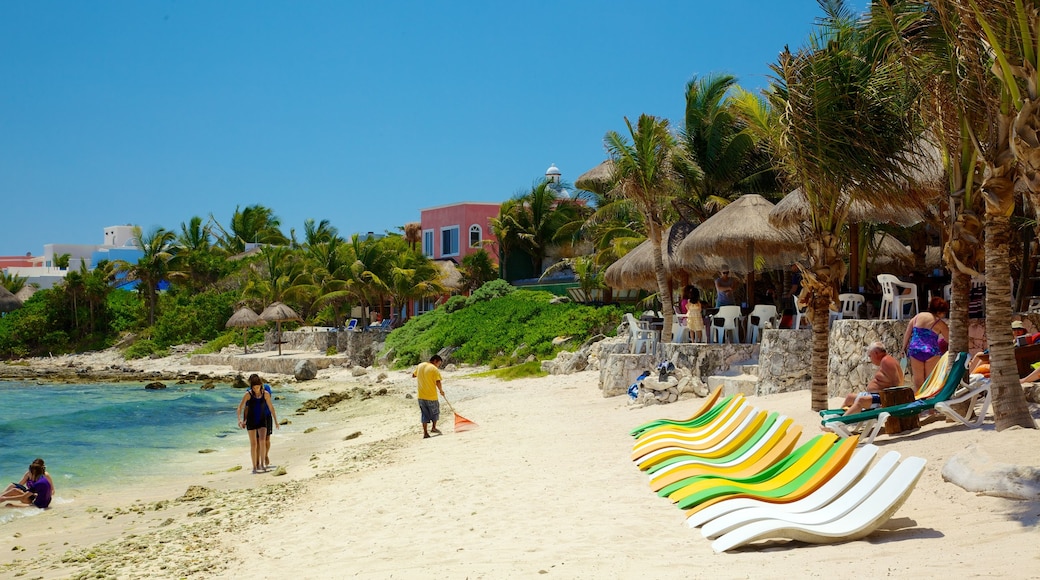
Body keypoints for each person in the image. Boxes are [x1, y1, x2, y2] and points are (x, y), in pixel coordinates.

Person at [837, 342, 905, 417]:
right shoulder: (885, 361)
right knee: (849, 397)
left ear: (876, 353)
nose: (870, 359)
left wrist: (886, 402)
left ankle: (840, 422)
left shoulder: (886, 361)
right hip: (876, 395)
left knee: (861, 401)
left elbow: (897, 383)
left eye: (870, 356)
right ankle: (837, 416)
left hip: (882, 398)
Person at [901, 297, 950, 390]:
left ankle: (918, 402)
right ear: (940, 312)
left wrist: (903, 348)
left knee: (918, 383)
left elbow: (908, 333)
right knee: (929, 382)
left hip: (915, 351)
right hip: (931, 352)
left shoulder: (917, 317)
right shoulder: (939, 323)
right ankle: (928, 403)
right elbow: (949, 340)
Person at [238, 375, 278, 473]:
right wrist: (241, 420)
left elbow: (271, 407)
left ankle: (262, 464)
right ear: (251, 386)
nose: (256, 389)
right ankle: (254, 467)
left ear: (261, 385)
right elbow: (241, 407)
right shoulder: (248, 394)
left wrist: (276, 421)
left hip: (263, 419)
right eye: (254, 387)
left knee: (263, 441)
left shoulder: (266, 393)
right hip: (251, 420)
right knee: (254, 444)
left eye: (258, 387)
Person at [413, 354, 446, 439]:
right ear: (435, 361)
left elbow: (414, 375)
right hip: (431, 396)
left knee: (424, 414)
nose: (438, 365)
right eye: (439, 363)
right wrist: (441, 391)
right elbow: (438, 381)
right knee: (435, 412)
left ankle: (425, 433)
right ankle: (434, 428)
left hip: (421, 396)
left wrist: (422, 375)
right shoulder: (434, 369)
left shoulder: (420, 365)